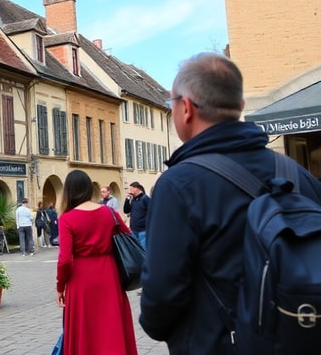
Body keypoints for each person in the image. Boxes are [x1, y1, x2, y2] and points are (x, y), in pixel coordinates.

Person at [139, 53, 321, 354]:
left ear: (185, 108)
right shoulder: (297, 173)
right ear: (240, 107)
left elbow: (161, 296)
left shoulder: (178, 184)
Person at [56, 170, 138, 355]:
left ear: (68, 191)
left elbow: (65, 259)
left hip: (81, 280)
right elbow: (128, 236)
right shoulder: (109, 212)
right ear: (89, 189)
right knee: (111, 326)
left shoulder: (67, 219)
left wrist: (60, 286)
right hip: (109, 274)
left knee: (85, 329)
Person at [123, 181, 149, 249]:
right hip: (134, 229)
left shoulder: (145, 199)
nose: (130, 191)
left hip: (143, 230)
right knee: (135, 249)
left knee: (143, 249)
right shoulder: (133, 200)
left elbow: (152, 211)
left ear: (137, 188)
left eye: (131, 189)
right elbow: (126, 211)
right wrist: (127, 200)